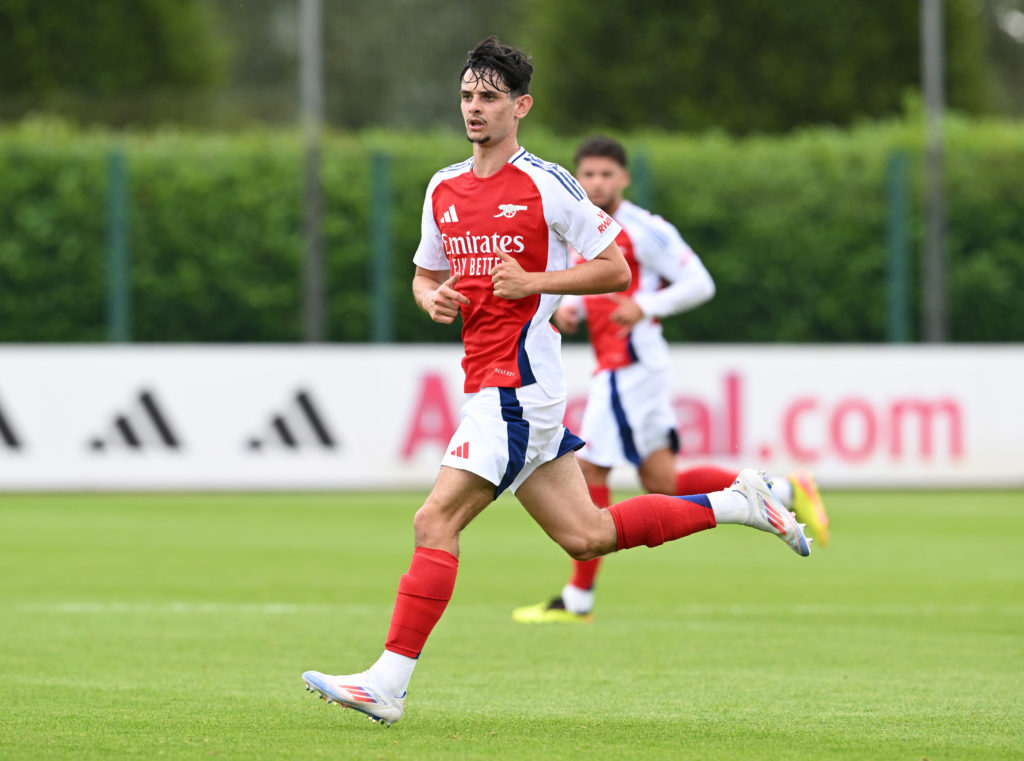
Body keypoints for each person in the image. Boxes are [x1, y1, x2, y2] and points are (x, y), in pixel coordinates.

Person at [301, 36, 809, 728]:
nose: (474, 109)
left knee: (434, 520)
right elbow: (425, 271)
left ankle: (388, 679)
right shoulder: (442, 187)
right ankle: (739, 502)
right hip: (490, 383)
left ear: (521, 106)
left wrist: (536, 280)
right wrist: (430, 296)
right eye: (467, 96)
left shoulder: (546, 184)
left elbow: (615, 270)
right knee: (587, 533)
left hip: (518, 385)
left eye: (489, 98)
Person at [511, 136, 831, 625]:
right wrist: (572, 310)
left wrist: (646, 306)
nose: (596, 182)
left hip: (630, 367)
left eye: (605, 174)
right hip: (624, 367)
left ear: (624, 178)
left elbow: (700, 282)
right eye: (588, 174)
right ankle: (782, 489)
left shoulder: (643, 229)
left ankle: (577, 600)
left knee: (591, 471)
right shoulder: (582, 228)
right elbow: (597, 290)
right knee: (660, 481)